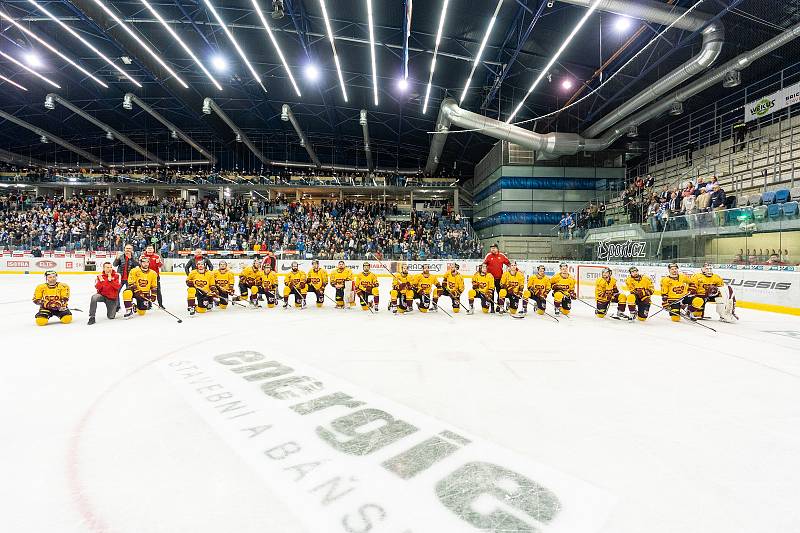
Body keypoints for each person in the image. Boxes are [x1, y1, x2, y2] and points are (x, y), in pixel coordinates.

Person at [483, 243, 510, 308]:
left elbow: (509, 264)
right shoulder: (488, 255)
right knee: (490, 292)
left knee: (499, 292)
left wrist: (517, 270)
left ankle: (498, 305)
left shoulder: (502, 255)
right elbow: (483, 265)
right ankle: (492, 306)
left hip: (499, 278)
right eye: (491, 248)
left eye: (494, 248)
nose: (492, 249)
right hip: (490, 279)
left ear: (497, 248)